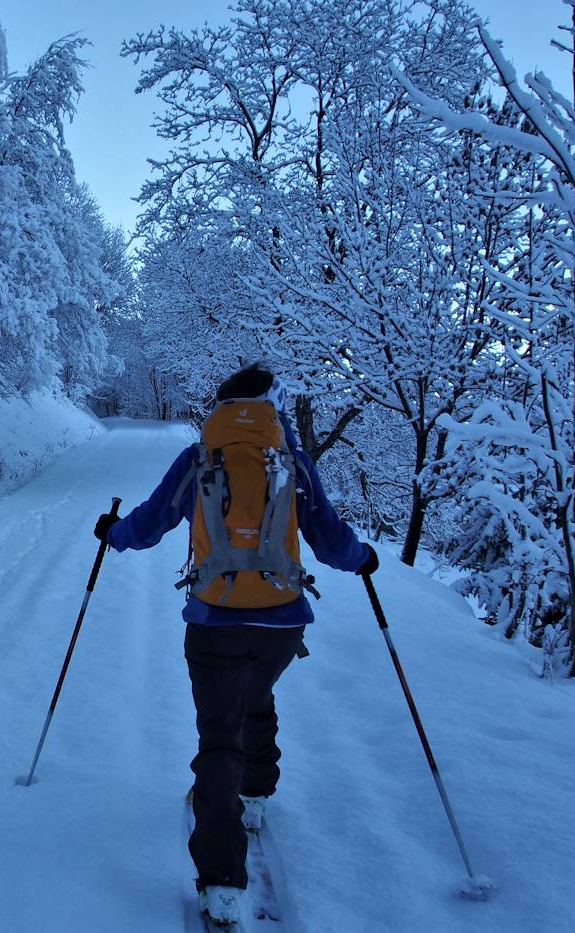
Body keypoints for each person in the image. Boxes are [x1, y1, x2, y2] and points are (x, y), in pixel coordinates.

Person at [93, 363, 377, 929]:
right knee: (257, 693)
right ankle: (255, 795)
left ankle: (223, 881)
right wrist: (364, 558)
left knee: (219, 734)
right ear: (271, 405)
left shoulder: (201, 457)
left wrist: (113, 535)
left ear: (221, 407)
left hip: (215, 622)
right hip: (282, 623)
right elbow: (330, 539)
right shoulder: (292, 461)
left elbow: (150, 524)